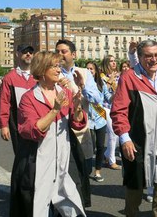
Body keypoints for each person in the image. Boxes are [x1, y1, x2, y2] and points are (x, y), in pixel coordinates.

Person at [111, 40, 157, 217]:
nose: (154, 59)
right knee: (135, 187)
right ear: (140, 57)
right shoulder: (129, 77)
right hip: (138, 142)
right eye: (148, 56)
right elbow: (119, 110)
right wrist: (125, 138)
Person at [10, 51, 87, 217]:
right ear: (41, 70)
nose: (59, 70)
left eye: (59, 66)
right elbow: (30, 130)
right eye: (54, 66)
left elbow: (77, 122)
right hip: (38, 163)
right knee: (39, 208)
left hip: (63, 162)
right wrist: (55, 110)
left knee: (72, 208)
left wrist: (78, 105)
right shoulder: (28, 98)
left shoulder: (65, 92)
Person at [56, 39, 101, 208]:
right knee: (63, 168)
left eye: (63, 51)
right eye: (57, 51)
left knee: (84, 167)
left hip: (81, 127)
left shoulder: (84, 73)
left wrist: (82, 86)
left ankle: (80, 203)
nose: (60, 55)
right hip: (60, 127)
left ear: (73, 54)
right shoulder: (53, 73)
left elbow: (97, 100)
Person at [0, 44, 36, 154]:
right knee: (21, 157)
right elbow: (4, 102)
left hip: (38, 124)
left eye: (30, 52)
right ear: (17, 54)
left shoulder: (39, 75)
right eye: (24, 52)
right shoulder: (9, 78)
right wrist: (4, 125)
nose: (28, 54)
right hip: (18, 124)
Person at [86, 61, 113, 182]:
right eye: (87, 69)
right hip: (87, 119)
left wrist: (117, 92)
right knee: (89, 148)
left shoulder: (101, 83)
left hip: (100, 117)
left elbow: (109, 98)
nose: (90, 71)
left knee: (101, 146)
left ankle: (97, 171)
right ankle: (86, 170)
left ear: (96, 71)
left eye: (91, 69)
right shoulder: (82, 83)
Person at [101, 54, 122, 170]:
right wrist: (111, 80)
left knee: (118, 135)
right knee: (112, 133)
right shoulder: (101, 77)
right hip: (104, 107)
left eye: (114, 61)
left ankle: (106, 154)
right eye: (111, 61)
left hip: (115, 107)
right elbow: (102, 92)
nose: (114, 63)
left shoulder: (119, 77)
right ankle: (111, 160)